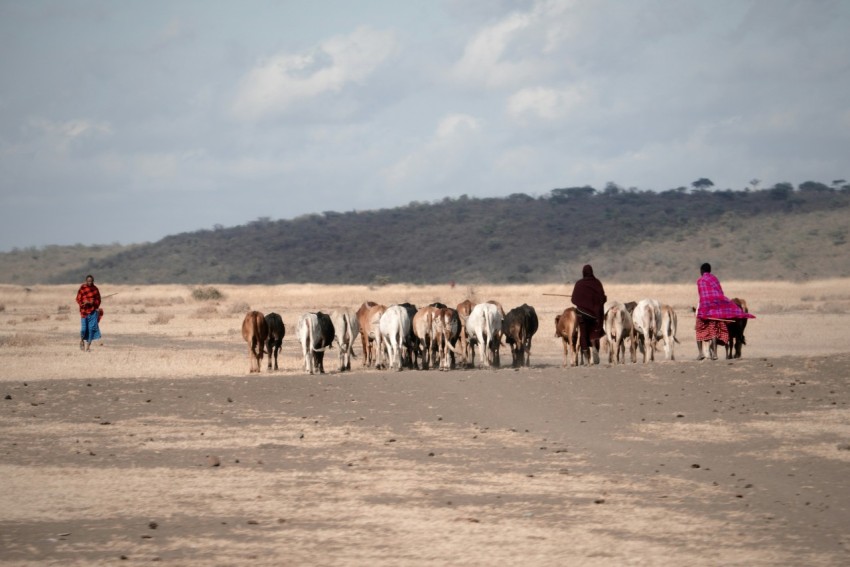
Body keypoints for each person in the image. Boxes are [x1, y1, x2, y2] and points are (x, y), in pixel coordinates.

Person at [695, 263, 754, 360]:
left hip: (704, 310)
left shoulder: (700, 281)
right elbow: (720, 293)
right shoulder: (714, 279)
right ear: (710, 271)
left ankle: (700, 353)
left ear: (701, 271)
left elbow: (702, 295)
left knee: (699, 330)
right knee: (713, 330)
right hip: (714, 311)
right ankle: (714, 354)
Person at [571, 264, 607, 365]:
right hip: (595, 315)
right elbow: (602, 298)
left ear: (583, 272)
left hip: (582, 314)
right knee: (593, 332)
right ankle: (594, 346)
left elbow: (573, 299)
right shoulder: (597, 283)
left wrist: (582, 301)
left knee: (583, 334)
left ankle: (586, 356)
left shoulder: (579, 284)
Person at [76, 274, 102, 351]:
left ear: (93, 281)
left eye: (91, 281)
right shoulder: (82, 288)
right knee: (84, 329)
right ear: (86, 281)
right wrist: (84, 302)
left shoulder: (95, 289)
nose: (89, 282)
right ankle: (81, 341)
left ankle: (88, 347)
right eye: (88, 281)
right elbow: (78, 299)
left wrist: (92, 303)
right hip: (84, 312)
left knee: (91, 329)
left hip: (93, 312)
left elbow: (98, 300)